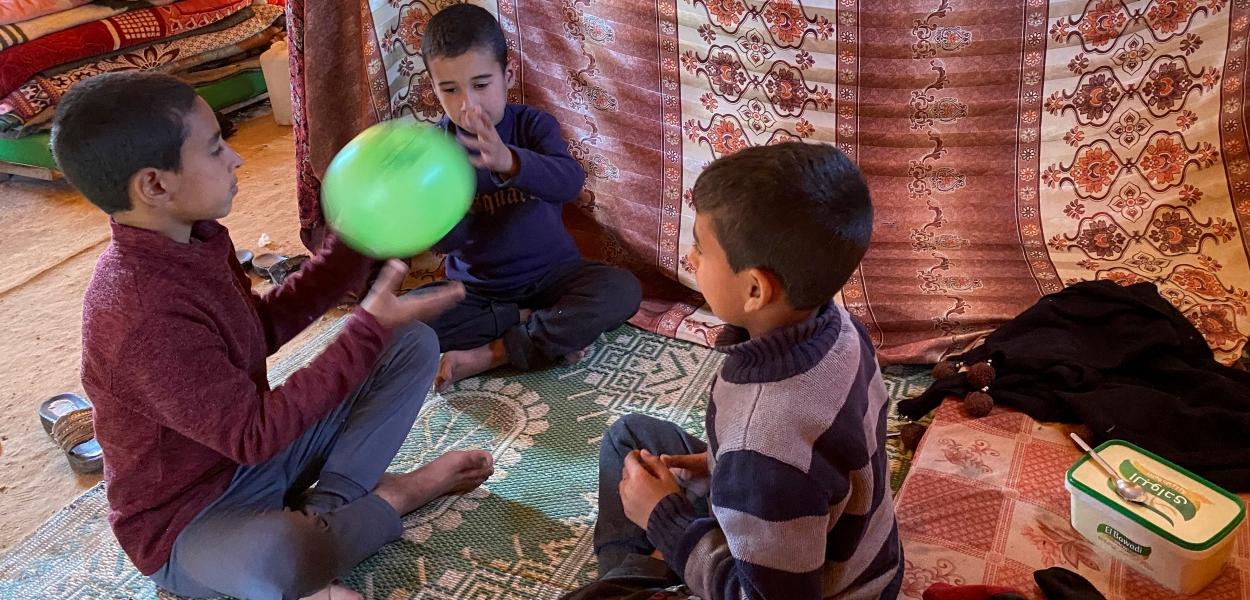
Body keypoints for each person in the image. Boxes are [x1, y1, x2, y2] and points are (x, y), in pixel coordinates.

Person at [52, 71, 494, 600]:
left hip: (256, 461)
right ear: (155, 184)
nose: (236, 159)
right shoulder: (141, 312)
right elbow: (253, 432)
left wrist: (349, 247)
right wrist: (363, 329)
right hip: (189, 518)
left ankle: (332, 513)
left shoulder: (196, 238)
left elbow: (255, 331)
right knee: (280, 560)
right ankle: (391, 500)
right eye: (217, 149)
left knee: (410, 343)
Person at [564, 142, 903, 600]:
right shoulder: (839, 328)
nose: (690, 259)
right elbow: (827, 457)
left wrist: (664, 519)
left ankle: (639, 574)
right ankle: (651, 566)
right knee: (630, 436)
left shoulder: (765, 444)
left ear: (755, 290)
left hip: (814, 587)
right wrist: (715, 464)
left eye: (701, 249)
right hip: (854, 551)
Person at [417, 4, 642, 389]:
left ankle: (492, 354)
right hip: (478, 291)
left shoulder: (532, 124)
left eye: (481, 84)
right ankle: (536, 325)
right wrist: (451, 196)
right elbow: (443, 243)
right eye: (449, 89)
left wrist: (509, 162)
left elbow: (569, 183)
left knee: (622, 290)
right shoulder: (433, 151)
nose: (467, 104)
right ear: (433, 87)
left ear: (508, 75)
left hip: (553, 277)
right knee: (399, 326)